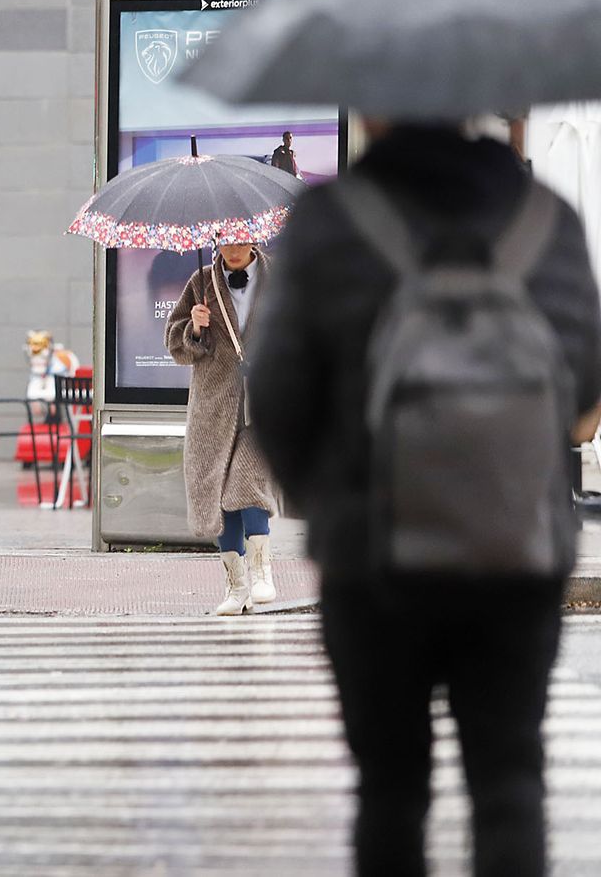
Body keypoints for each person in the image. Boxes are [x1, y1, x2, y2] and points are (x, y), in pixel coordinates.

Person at [249, 121, 601, 877]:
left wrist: (335, 498)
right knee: (509, 780)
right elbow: (585, 390)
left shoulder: (329, 223)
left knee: (390, 789)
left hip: (372, 557)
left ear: (372, 112)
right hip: (520, 550)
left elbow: (274, 397)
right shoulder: (547, 220)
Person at [165, 242, 279, 615]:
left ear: (254, 236)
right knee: (216, 492)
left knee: (246, 483)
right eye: (224, 239)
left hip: (261, 401)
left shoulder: (279, 276)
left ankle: (262, 572)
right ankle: (237, 585)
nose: (232, 248)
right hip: (213, 404)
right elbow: (176, 345)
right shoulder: (200, 282)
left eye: (239, 237)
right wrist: (195, 330)